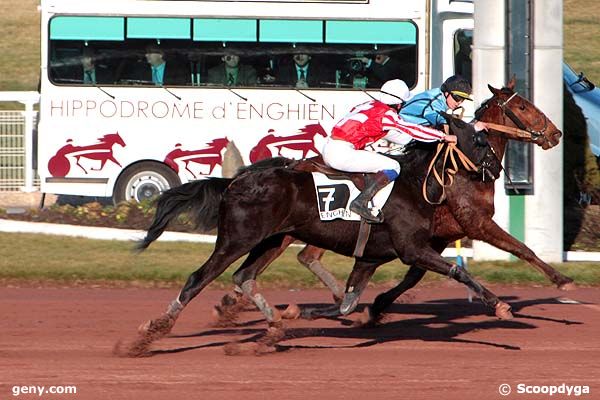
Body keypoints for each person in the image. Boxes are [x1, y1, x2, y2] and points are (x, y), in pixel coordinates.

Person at [321, 79, 457, 223]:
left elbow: (400, 136)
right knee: (394, 166)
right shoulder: (386, 115)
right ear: (399, 104)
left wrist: (422, 138)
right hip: (342, 154)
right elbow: (410, 128)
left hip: (329, 146)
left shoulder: (369, 105)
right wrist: (442, 136)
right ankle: (360, 202)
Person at [400, 75, 487, 132]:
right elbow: (444, 121)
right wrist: (473, 127)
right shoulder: (434, 101)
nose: (459, 103)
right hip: (401, 134)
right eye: (457, 98)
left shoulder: (439, 97)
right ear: (447, 93)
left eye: (463, 99)